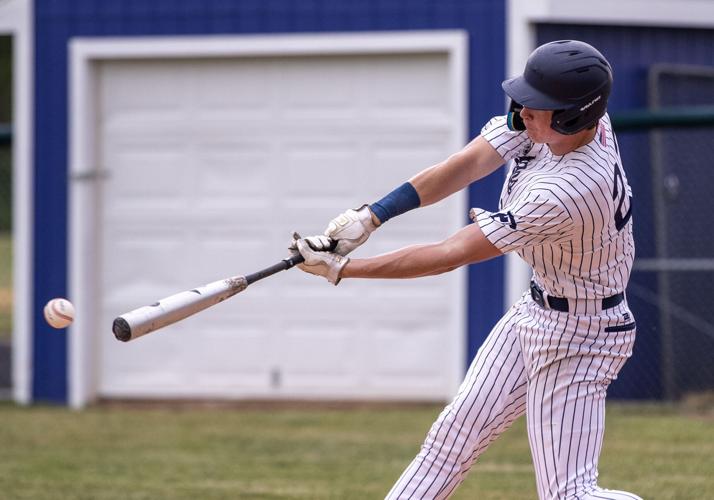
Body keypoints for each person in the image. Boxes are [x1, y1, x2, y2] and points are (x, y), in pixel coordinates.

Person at [290, 40, 641, 500]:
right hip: (536, 310)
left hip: (584, 333)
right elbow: (465, 165)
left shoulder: (571, 189)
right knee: (448, 442)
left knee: (569, 495)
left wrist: (346, 269)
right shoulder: (554, 127)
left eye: (540, 106)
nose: (523, 110)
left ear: (573, 116)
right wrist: (372, 216)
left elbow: (451, 253)